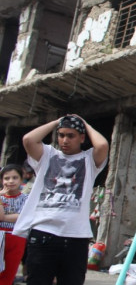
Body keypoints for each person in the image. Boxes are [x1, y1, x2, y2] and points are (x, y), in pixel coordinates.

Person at [13, 115, 109, 285]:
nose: (64, 140)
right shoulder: (48, 155)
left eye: (70, 136)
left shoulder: (89, 160)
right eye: (61, 135)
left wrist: (84, 122)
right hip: (43, 233)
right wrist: (57, 122)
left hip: (76, 237)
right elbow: (28, 139)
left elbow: (102, 145)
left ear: (82, 137)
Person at [0, 164, 29, 285]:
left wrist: (4, 218)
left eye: (15, 177)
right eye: (7, 178)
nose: (10, 181)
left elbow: (23, 217)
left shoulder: (26, 198)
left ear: (21, 180)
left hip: (17, 237)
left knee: (10, 272)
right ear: (1, 180)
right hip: (0, 236)